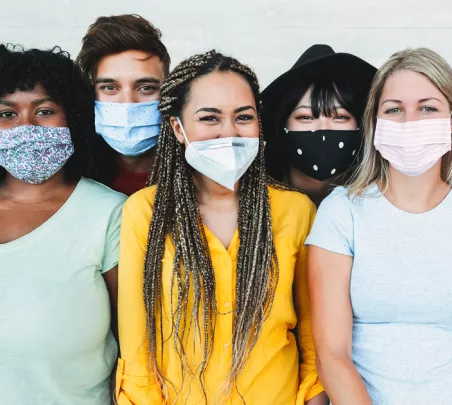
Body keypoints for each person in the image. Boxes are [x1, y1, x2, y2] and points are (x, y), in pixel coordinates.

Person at [306, 47, 452, 404]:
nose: (410, 121)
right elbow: (332, 354)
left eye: (427, 108)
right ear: (375, 122)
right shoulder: (340, 213)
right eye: (394, 109)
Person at [116, 50, 327, 405]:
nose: (229, 131)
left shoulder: (296, 211)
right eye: (210, 118)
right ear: (177, 129)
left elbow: (311, 336)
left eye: (243, 117)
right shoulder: (145, 212)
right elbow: (138, 346)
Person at [0, 44, 124, 404]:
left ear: (73, 119)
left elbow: (137, 341)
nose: (26, 126)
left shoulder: (110, 213)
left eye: (44, 111)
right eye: (7, 113)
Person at [262, 44, 376, 205]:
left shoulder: (376, 203)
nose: (323, 128)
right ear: (282, 126)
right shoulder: (255, 203)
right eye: (305, 117)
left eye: (340, 117)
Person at [77, 14, 171, 196]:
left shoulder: (198, 173)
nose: (128, 102)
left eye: (145, 88)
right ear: (91, 93)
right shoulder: (73, 174)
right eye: (110, 87)